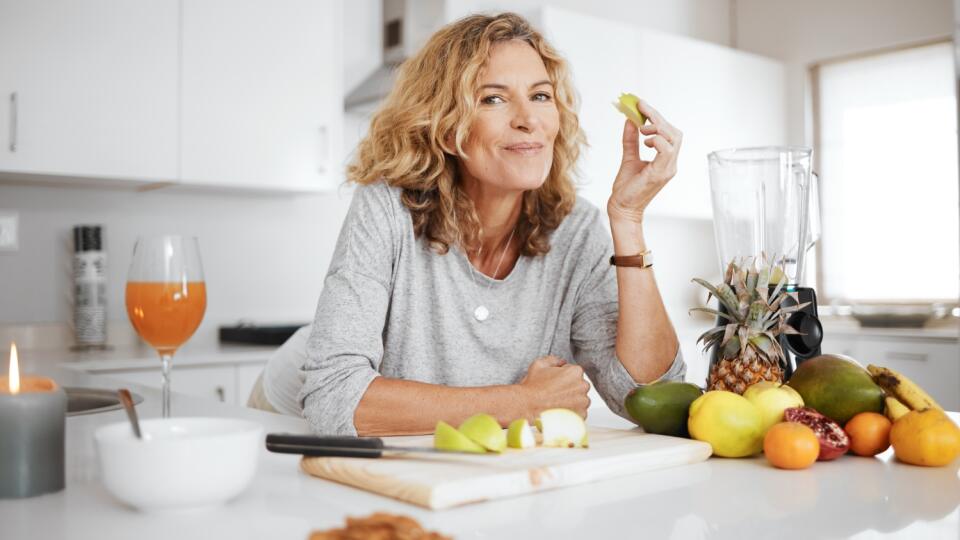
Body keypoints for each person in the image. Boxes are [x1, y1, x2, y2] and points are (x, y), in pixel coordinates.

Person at [262, 12, 686, 436]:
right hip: (286, 414)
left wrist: (628, 220)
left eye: (540, 96)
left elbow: (652, 398)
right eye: (493, 99)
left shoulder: (577, 231)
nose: (528, 119)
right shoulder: (386, 207)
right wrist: (523, 402)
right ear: (447, 129)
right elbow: (333, 397)